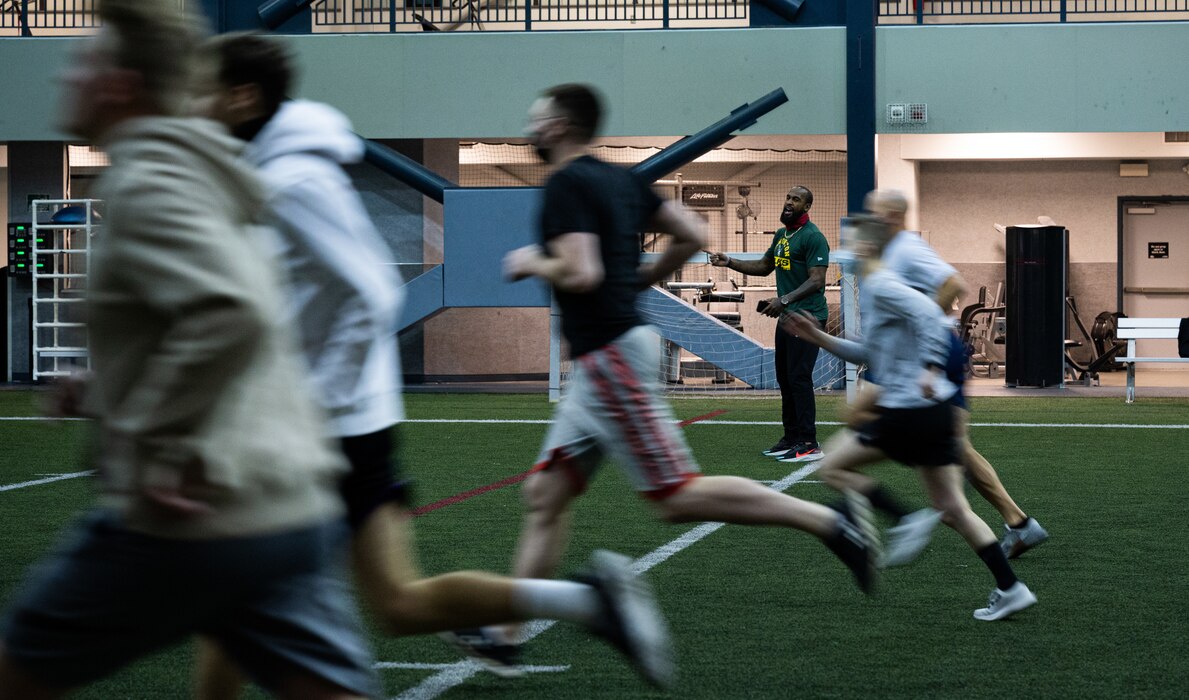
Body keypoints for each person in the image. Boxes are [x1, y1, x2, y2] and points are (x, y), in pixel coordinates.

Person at [189, 34, 674, 693]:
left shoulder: (290, 180)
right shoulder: (265, 170)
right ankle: (586, 601)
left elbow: (371, 291)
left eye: (200, 89)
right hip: (339, 424)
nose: (188, 102)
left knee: (238, 603)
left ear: (242, 96)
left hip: (320, 428)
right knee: (393, 604)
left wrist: (308, 406)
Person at [0, 2, 381, 698]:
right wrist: (103, 379)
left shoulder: (149, 181)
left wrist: (158, 439)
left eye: (80, 59)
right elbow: (204, 312)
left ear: (117, 84)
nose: (65, 71)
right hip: (284, 507)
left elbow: (229, 312)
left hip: (195, 514)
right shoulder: (204, 174)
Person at [486, 83, 880, 666]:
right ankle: (507, 637)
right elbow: (694, 235)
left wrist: (530, 260)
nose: (530, 127)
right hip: (606, 359)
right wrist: (643, 281)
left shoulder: (566, 184)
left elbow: (580, 271)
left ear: (561, 126)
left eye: (537, 118)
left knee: (675, 497)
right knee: (545, 494)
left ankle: (832, 521)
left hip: (611, 358)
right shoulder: (620, 181)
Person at [783, 214, 1038, 621]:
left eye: (853, 252)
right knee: (954, 509)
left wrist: (932, 368)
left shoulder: (884, 284)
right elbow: (871, 354)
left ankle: (905, 518)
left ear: (867, 250)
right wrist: (818, 338)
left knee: (832, 466)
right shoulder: (879, 289)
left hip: (909, 414)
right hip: (930, 414)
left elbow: (931, 317)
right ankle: (1011, 587)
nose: (847, 262)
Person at [864, 190, 1048, 561]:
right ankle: (1015, 523)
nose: (870, 220)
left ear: (894, 215)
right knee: (955, 449)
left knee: (948, 449)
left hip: (935, 353)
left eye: (876, 213)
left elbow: (953, 283)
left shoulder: (908, 247)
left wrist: (923, 323)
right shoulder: (891, 252)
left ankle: (991, 523)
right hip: (922, 355)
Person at [708, 186, 830, 463]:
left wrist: (783, 300)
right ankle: (791, 437)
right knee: (785, 379)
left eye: (796, 199)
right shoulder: (781, 235)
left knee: (799, 378)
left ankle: (809, 442)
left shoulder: (814, 237)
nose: (788, 202)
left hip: (808, 317)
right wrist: (730, 262)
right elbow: (764, 266)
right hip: (788, 317)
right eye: (787, 197)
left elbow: (816, 280)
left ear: (807, 207)